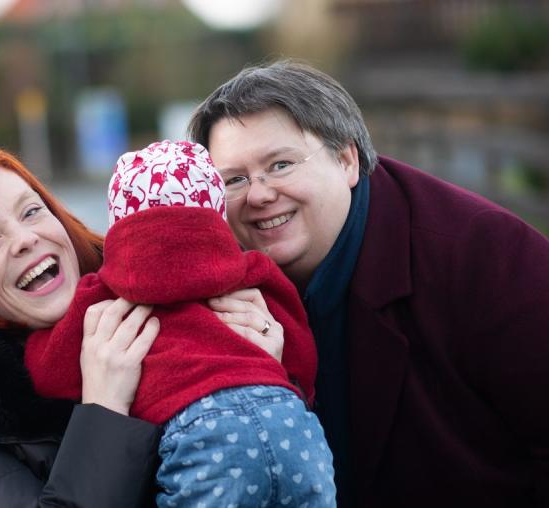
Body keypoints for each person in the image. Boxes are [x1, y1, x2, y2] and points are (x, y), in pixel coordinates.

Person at [186, 60, 549, 508]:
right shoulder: (210, 293)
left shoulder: (484, 255)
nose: (259, 194)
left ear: (346, 160)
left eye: (280, 165)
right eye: (234, 179)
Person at [0, 147, 286, 507]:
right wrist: (104, 410)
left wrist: (260, 376)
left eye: (31, 211)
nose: (25, 239)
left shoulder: (158, 287)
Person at [24, 139, 336, 507]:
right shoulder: (251, 271)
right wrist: (296, 384)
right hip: (288, 419)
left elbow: (51, 371)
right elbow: (299, 347)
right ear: (216, 212)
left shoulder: (103, 295)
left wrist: (34, 345)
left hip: (202, 435)